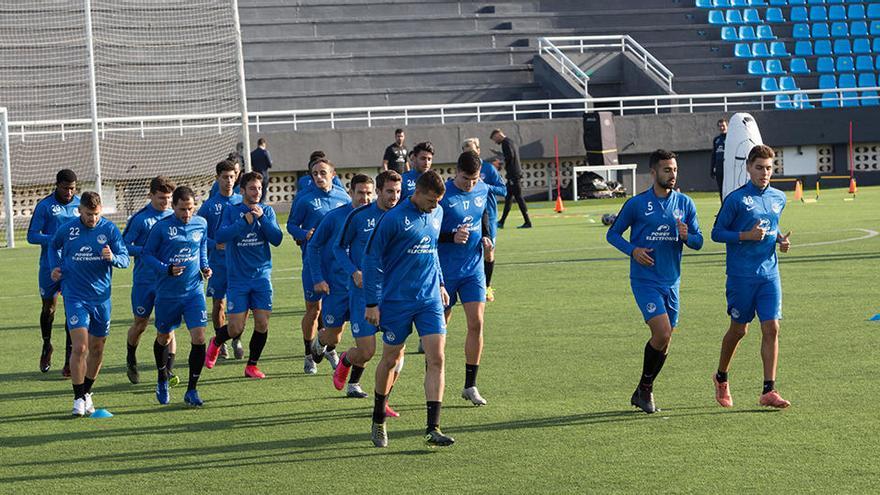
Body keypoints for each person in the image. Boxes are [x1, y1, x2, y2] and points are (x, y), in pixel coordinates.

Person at [606, 150, 703, 414]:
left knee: (665, 339)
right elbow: (612, 235)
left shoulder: (685, 204)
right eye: (666, 170)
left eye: (674, 170)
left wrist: (687, 237)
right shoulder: (637, 205)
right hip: (644, 280)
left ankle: (642, 390)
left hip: (671, 281)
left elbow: (699, 241)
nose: (672, 175)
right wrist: (633, 251)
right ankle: (646, 390)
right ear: (653, 172)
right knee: (662, 332)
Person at [363, 170, 454, 448]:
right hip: (396, 301)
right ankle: (379, 418)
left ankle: (432, 428)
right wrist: (371, 302)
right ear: (416, 192)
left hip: (428, 300)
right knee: (390, 360)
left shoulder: (437, 213)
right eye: (430, 200)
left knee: (436, 357)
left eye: (438, 200)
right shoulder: (392, 219)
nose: (435, 205)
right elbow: (370, 260)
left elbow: (433, 249)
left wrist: (439, 282)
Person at [711, 144, 791, 409]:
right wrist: (745, 236)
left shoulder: (779, 197)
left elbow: (771, 225)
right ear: (748, 168)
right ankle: (721, 376)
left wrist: (779, 239)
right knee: (739, 330)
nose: (764, 173)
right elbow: (717, 233)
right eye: (759, 168)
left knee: (772, 327)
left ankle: (769, 390)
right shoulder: (735, 200)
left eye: (769, 168)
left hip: (769, 274)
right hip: (741, 276)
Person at [49, 191, 129, 416]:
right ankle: (77, 399)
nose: (92, 219)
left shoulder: (110, 230)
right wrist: (54, 266)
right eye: (87, 214)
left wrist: (112, 258)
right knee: (80, 347)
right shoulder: (68, 229)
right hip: (75, 296)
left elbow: (124, 258)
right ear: (79, 211)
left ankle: (87, 393)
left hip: (102, 299)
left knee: (97, 349)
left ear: (100, 210)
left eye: (95, 214)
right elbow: (52, 246)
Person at [332, 171, 403, 416]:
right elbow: (338, 248)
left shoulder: (403, 215)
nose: (394, 197)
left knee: (396, 353)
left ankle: (382, 403)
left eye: (398, 192)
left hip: (394, 293)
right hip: (363, 292)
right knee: (367, 352)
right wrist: (353, 271)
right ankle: (346, 360)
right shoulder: (359, 216)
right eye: (389, 192)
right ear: (380, 192)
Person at [205, 172, 284, 378]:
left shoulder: (266, 211)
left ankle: (252, 366)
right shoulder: (231, 211)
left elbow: (277, 239)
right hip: (238, 279)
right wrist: (245, 221)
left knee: (262, 323)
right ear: (242, 191)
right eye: (252, 188)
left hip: (261, 277)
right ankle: (216, 341)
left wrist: (262, 219)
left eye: (259, 188)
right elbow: (221, 236)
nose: (256, 192)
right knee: (235, 327)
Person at [142, 186, 211, 406]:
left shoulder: (201, 224)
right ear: (173, 207)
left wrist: (205, 266)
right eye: (182, 209)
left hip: (193, 292)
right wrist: (166, 268)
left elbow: (202, 247)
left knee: (199, 338)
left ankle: (192, 389)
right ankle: (162, 378)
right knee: (164, 338)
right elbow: (146, 255)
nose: (187, 214)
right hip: (167, 294)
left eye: (190, 209)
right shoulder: (161, 228)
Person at [287, 158, 351, 374]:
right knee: (314, 311)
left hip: (339, 267)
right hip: (313, 264)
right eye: (315, 173)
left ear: (333, 174)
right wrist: (305, 234)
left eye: (323, 172)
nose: (319, 177)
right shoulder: (304, 199)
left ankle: (329, 348)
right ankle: (309, 354)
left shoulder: (344, 198)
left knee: (339, 315)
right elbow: (291, 225)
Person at [439, 152, 493, 406]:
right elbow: (426, 229)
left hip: (473, 269)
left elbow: (482, 213)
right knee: (440, 329)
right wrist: (450, 237)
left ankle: (470, 385)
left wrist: (486, 235)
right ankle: (436, 377)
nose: (470, 184)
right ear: (455, 172)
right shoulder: (443, 194)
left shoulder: (482, 188)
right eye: (465, 179)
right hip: (444, 271)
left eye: (474, 179)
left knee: (477, 323)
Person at [122, 176, 175, 385]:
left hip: (168, 281)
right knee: (140, 324)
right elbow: (124, 246)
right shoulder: (140, 219)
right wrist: (145, 251)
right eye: (161, 198)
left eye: (169, 198)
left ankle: (167, 372)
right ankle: (131, 357)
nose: (165, 202)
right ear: (151, 195)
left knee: (168, 327)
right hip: (145, 281)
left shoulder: (175, 215)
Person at [28, 169, 81, 376]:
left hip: (74, 266)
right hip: (49, 265)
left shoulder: (80, 205)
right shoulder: (45, 206)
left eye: (72, 189)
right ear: (57, 185)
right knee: (49, 308)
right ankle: (47, 345)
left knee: (72, 309)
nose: (69, 193)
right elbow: (32, 236)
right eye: (65, 188)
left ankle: (69, 359)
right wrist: (55, 238)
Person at [197, 161, 245, 362]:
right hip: (218, 264)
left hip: (240, 263)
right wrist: (214, 244)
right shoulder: (209, 206)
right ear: (218, 178)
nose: (229, 181)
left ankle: (237, 339)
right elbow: (198, 233)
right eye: (225, 177)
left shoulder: (242, 202)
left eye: (232, 176)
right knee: (219, 304)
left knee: (243, 304)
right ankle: (221, 340)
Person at [463, 138, 506, 302]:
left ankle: (487, 287)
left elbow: (504, 191)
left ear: (478, 151)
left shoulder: (488, 169)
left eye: (472, 151)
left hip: (489, 217)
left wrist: (485, 186)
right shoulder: (462, 171)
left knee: (488, 250)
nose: (470, 154)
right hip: (470, 218)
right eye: (466, 152)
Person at [490, 129, 531, 229]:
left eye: (495, 139)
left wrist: (500, 163)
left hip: (514, 175)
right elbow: (510, 154)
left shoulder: (505, 143)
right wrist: (500, 154)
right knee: (508, 198)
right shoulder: (510, 141)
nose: (495, 142)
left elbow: (510, 156)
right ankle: (502, 222)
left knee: (519, 198)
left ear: (498, 134)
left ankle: (528, 222)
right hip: (513, 174)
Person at [710, 118, 728, 201]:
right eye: (720, 126)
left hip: (728, 168)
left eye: (723, 126)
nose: (722, 128)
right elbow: (713, 155)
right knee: (721, 189)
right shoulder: (716, 140)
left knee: (728, 188)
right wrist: (711, 169)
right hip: (719, 168)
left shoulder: (730, 138)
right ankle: (723, 208)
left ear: (727, 126)